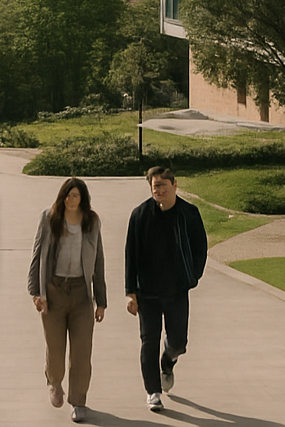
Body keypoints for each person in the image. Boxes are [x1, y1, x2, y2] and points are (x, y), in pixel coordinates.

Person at [124, 167, 206, 413]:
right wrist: (130, 292)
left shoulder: (189, 214)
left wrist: (193, 275)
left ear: (174, 185)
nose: (158, 190)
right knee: (148, 341)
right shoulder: (140, 215)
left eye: (163, 186)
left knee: (178, 342)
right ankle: (153, 392)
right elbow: (131, 255)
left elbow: (200, 248)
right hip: (147, 293)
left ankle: (168, 361)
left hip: (176, 291)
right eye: (155, 186)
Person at [28, 177, 107, 424]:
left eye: (75, 196)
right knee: (55, 348)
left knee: (82, 352)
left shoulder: (91, 221)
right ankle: (54, 380)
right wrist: (35, 292)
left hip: (81, 294)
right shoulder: (49, 218)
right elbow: (37, 254)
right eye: (67, 195)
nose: (71, 200)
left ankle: (79, 401)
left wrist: (101, 300)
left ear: (83, 198)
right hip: (54, 291)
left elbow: (98, 260)